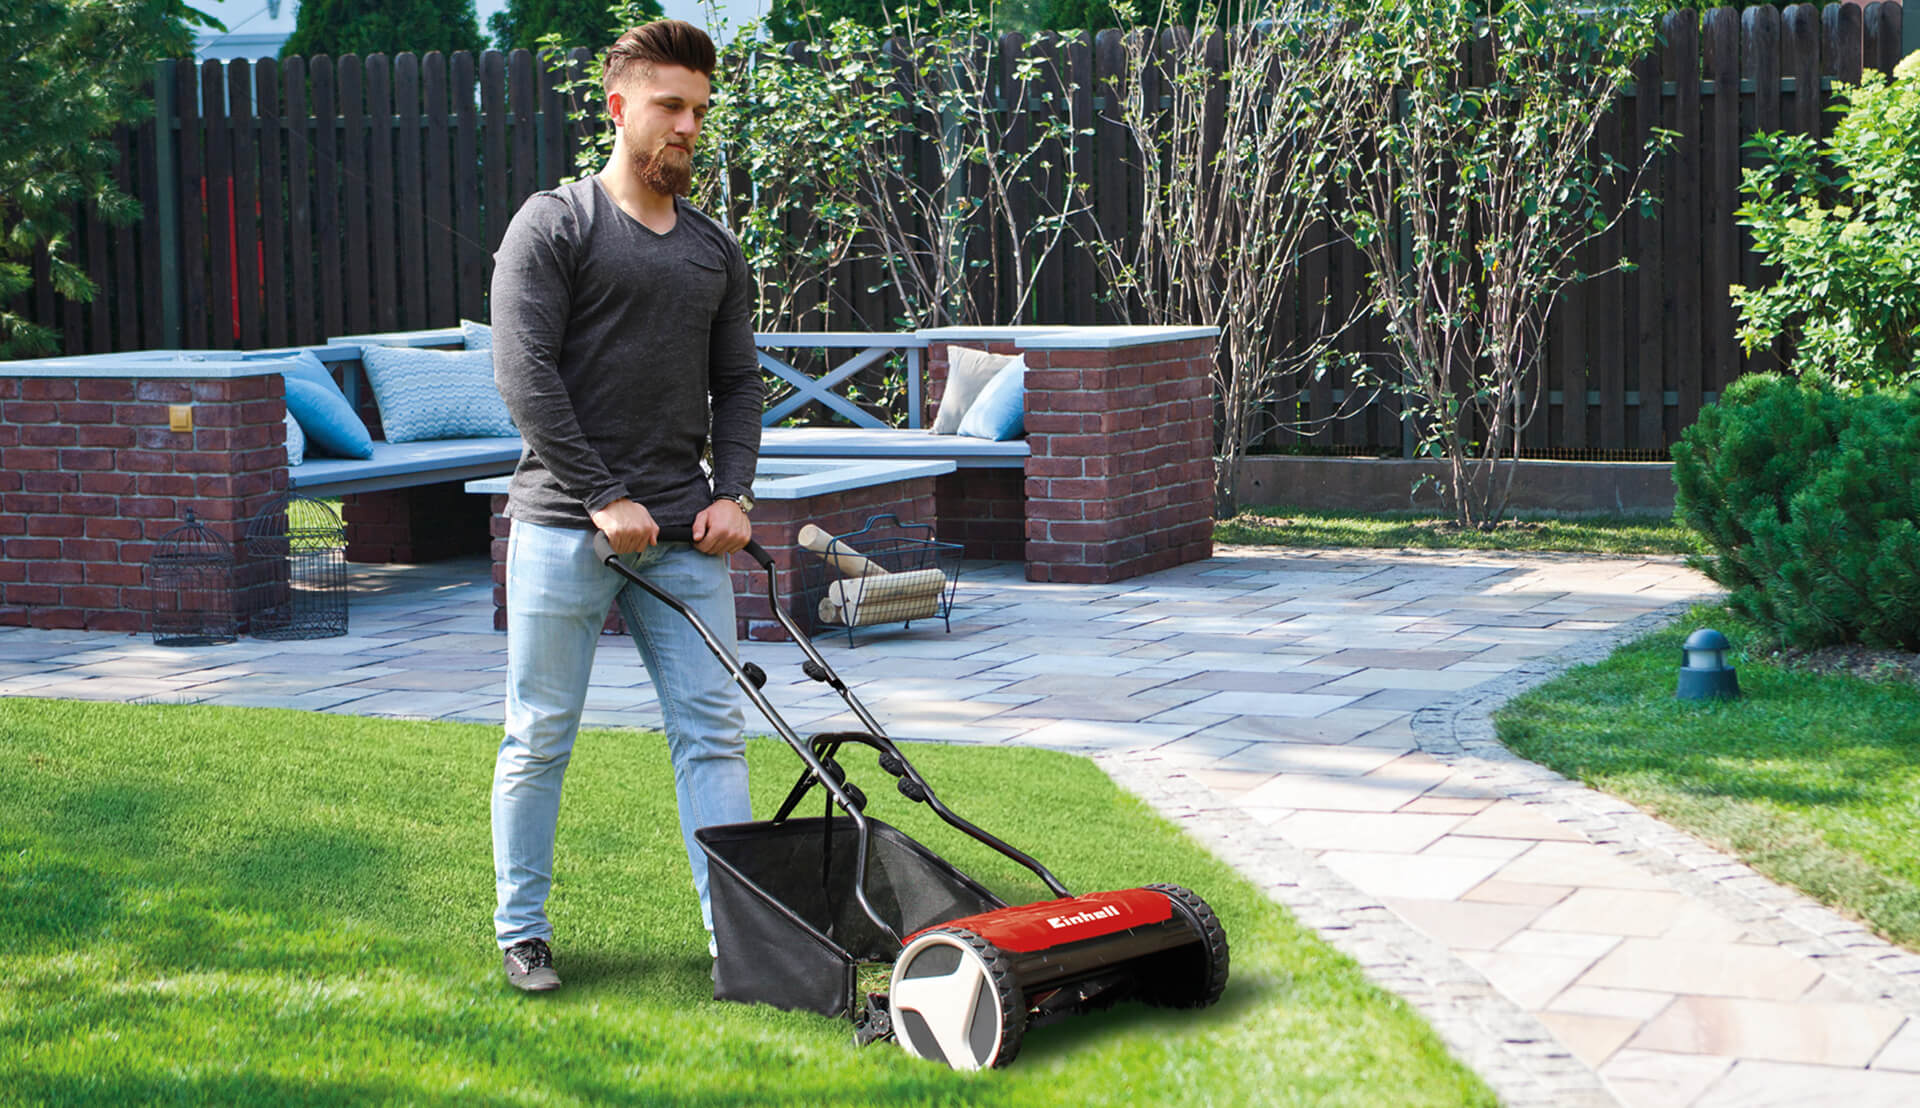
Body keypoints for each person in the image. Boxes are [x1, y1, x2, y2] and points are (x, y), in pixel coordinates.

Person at [487, 19, 761, 993]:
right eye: (670, 106)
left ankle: (742, 946)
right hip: (565, 528)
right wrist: (601, 495)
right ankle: (523, 930)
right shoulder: (555, 225)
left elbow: (739, 384)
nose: (688, 126)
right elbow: (524, 375)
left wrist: (733, 492)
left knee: (713, 734)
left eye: (699, 110)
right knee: (540, 731)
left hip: (684, 535)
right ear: (619, 106)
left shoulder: (713, 250)